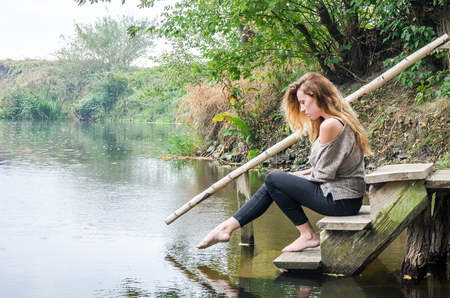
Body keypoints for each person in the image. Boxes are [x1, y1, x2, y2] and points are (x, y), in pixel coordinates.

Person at [196, 72, 372, 252]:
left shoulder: (330, 125)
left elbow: (324, 175)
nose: (302, 109)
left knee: (273, 180)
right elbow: (322, 168)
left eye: (303, 102)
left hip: (341, 201)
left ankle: (307, 236)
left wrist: (288, 180)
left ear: (317, 96)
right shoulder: (334, 121)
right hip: (346, 199)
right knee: (275, 182)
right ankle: (225, 228)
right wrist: (294, 177)